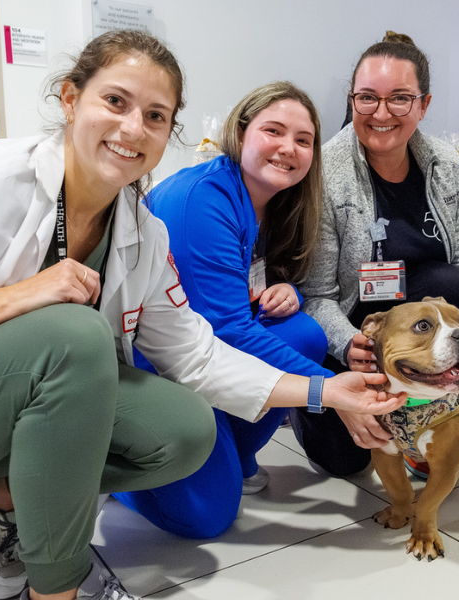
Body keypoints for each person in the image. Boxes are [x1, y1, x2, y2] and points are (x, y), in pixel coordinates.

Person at [0, 31, 405, 600]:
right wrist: (15, 298)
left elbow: (196, 353)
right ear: (71, 98)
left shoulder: (141, 232)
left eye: (156, 116)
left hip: (32, 402)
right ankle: (59, 586)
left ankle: (1, 497)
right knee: (75, 335)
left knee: (183, 432)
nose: (133, 128)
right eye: (115, 101)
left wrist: (329, 394)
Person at [117, 81, 335, 538]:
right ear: (240, 132)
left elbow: (237, 290)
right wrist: (335, 391)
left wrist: (285, 290)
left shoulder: (265, 201)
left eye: (303, 140)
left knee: (305, 333)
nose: (288, 148)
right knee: (207, 516)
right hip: (155, 365)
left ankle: (229, 458)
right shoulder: (202, 199)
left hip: (201, 351)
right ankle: (114, 474)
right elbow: (225, 332)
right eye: (273, 131)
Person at [295, 39, 459, 477]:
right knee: (344, 460)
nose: (380, 113)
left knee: (452, 283)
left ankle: (432, 411)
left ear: (423, 104)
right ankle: (313, 405)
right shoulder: (324, 173)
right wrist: (347, 343)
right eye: (367, 98)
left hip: (425, 329)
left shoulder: (448, 167)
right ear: (352, 99)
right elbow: (316, 294)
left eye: (399, 98)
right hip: (355, 326)